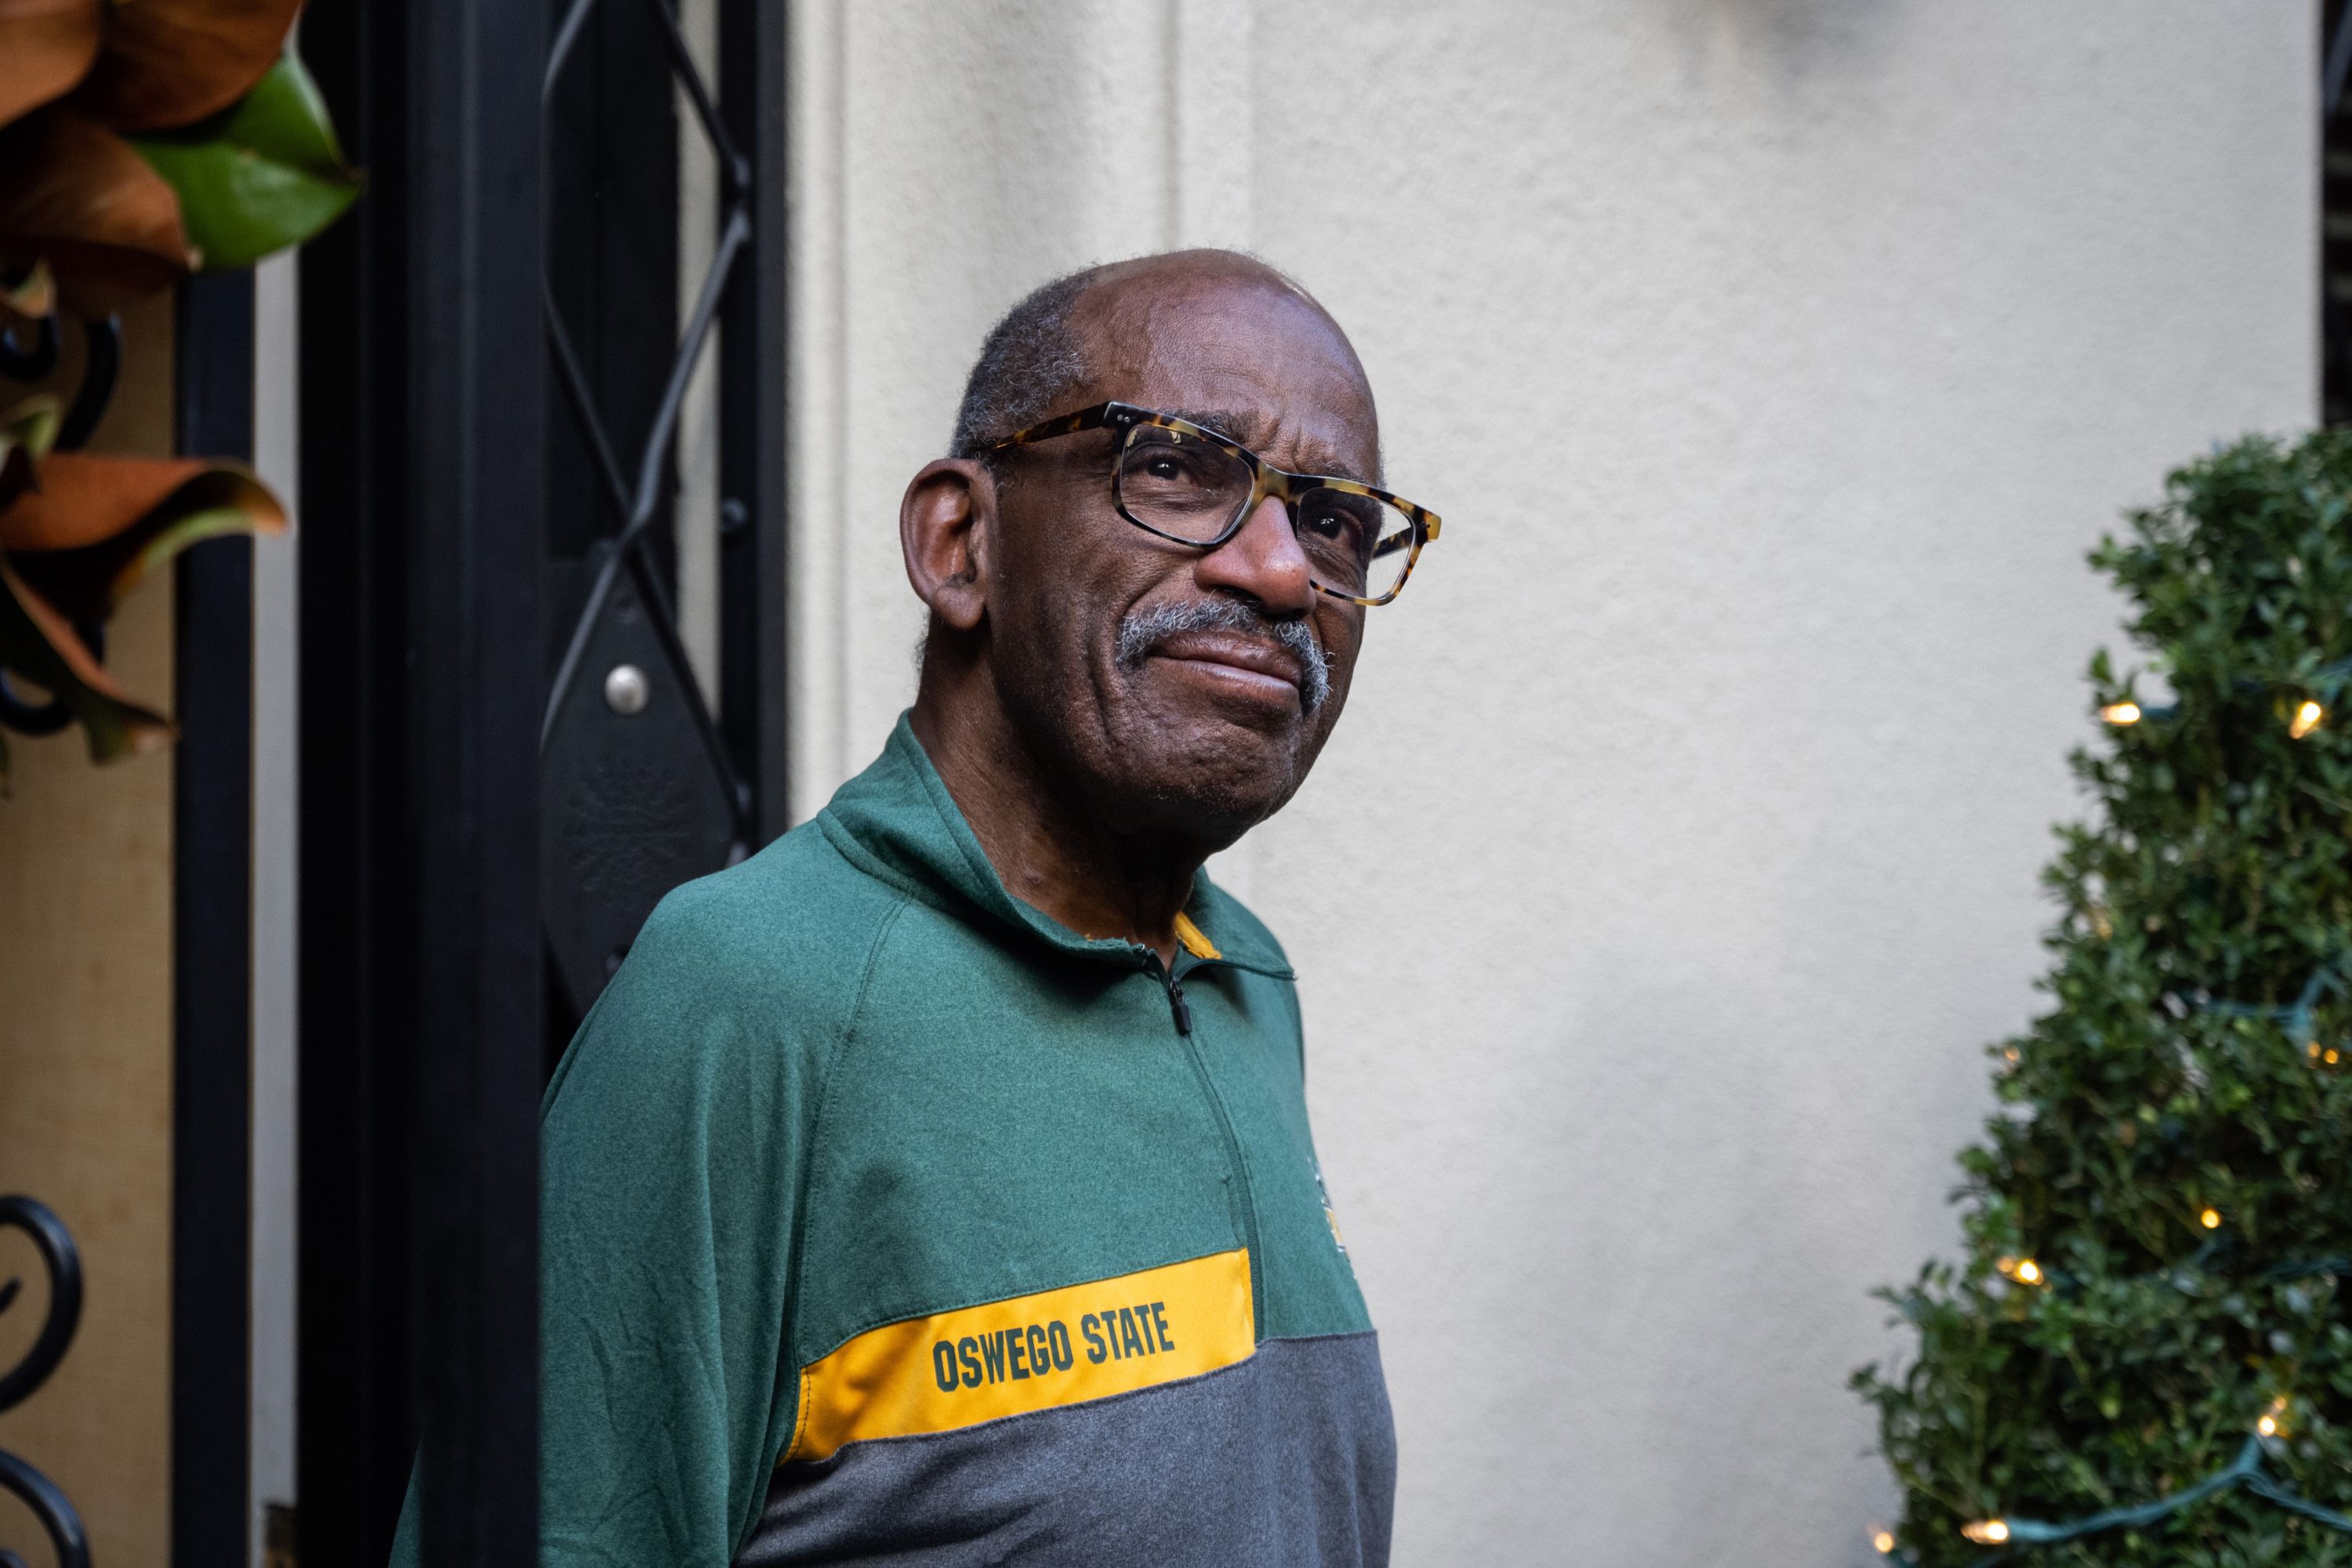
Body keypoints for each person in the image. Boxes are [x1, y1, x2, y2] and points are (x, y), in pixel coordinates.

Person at [393, 248, 1442, 1566]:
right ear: (962, 543)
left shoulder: (1247, 982)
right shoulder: (752, 1000)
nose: (1285, 573)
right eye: (1177, 467)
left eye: (1338, 521)